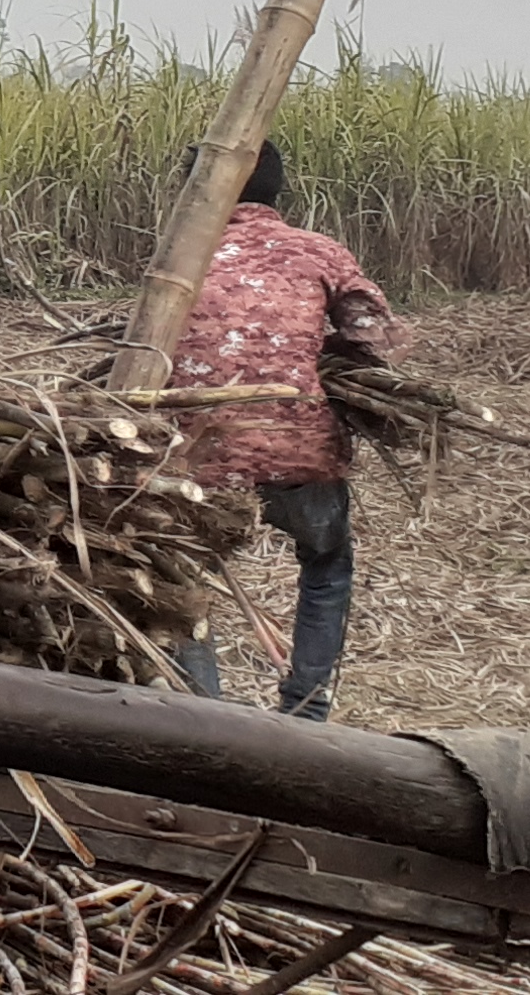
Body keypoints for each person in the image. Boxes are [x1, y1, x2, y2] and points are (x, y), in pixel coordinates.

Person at [157, 140, 403, 720]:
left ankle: (204, 716)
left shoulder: (175, 259)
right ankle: (307, 708)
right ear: (277, 190)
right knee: (326, 565)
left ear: (197, 191)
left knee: (182, 578)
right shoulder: (319, 251)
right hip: (300, 449)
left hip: (195, 455)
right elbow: (377, 338)